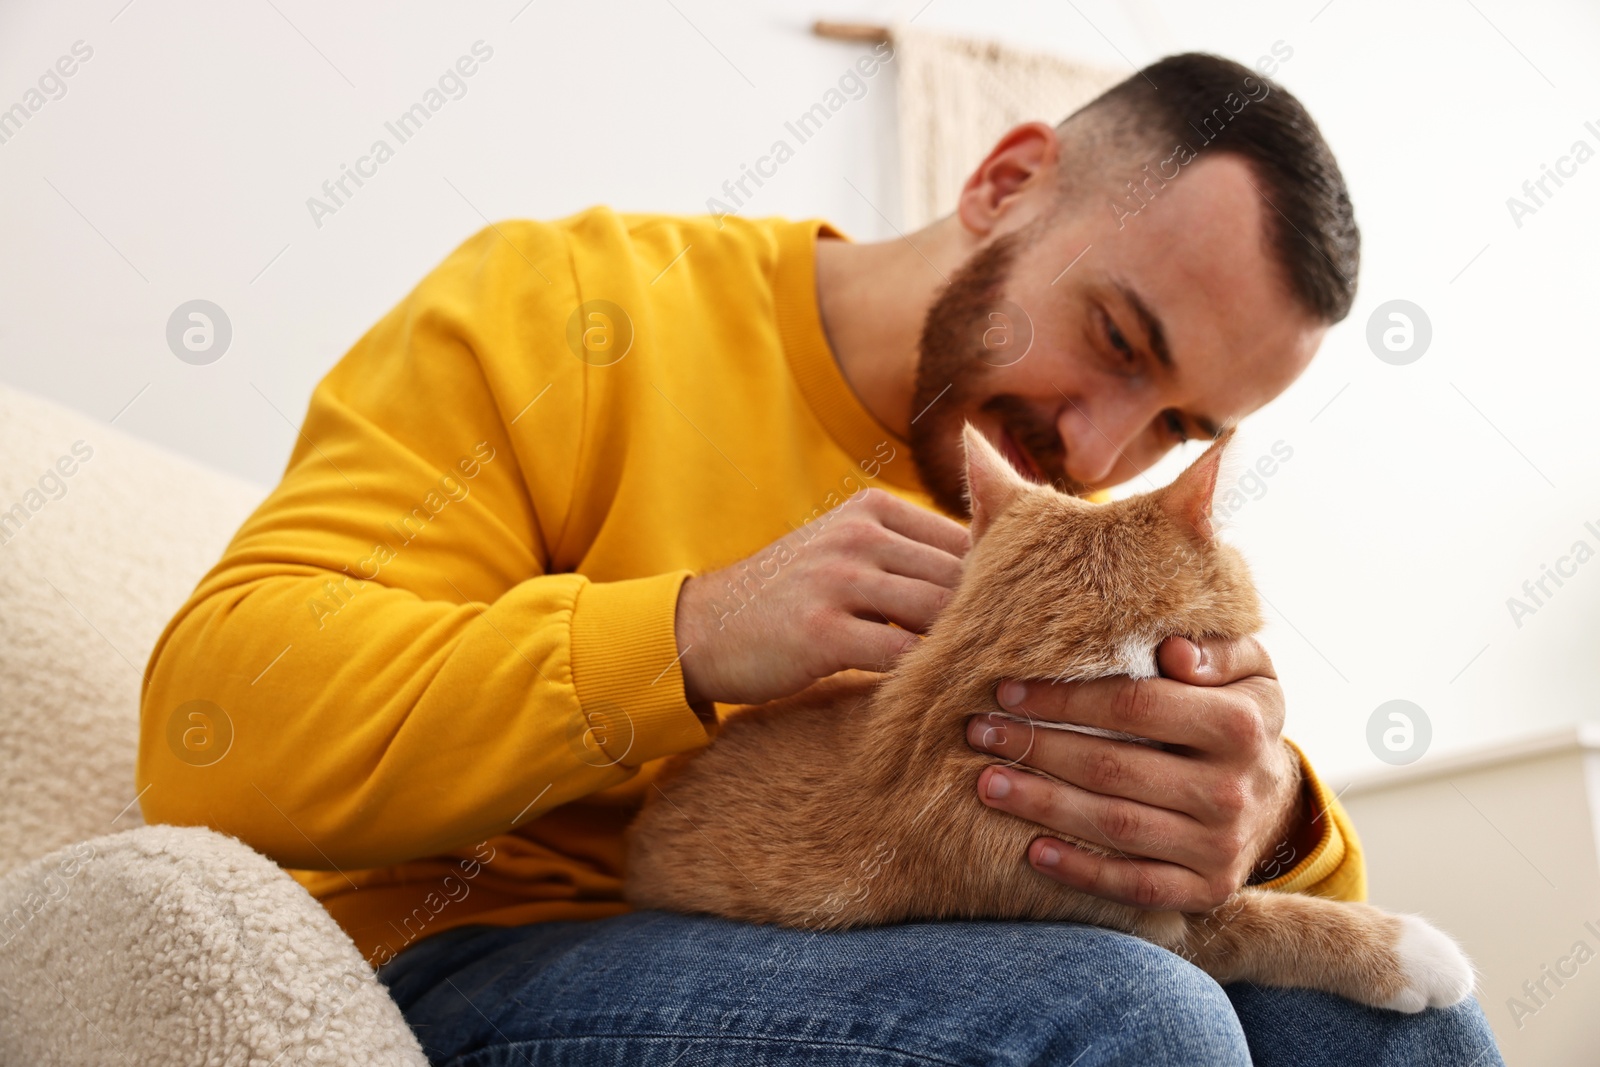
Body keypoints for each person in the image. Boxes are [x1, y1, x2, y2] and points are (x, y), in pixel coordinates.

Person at [138, 52, 1503, 1065]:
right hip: (475, 951)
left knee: (1409, 1033)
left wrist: (1261, 817)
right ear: (1005, 180)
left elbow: (1264, 907)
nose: (1098, 451)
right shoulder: (571, 305)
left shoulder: (1070, 536)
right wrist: (689, 629)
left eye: (1180, 427)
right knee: (1123, 1018)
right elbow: (208, 731)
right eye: (1115, 340)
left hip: (917, 939)